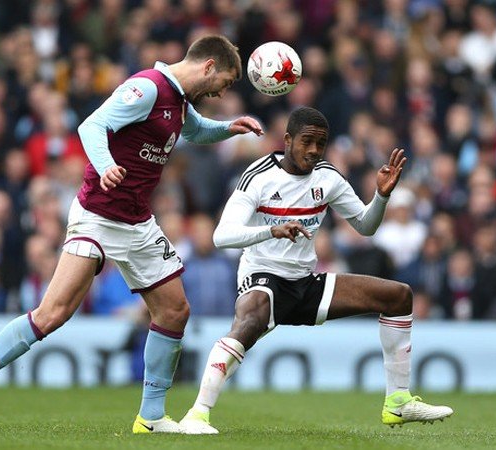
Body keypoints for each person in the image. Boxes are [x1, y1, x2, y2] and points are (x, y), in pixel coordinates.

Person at [0, 35, 263, 434]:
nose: (222, 90)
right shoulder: (147, 88)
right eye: (225, 81)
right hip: (98, 215)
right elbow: (93, 124)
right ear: (208, 66)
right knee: (52, 314)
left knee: (174, 311)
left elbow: (195, 132)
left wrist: (231, 128)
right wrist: (106, 164)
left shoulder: (179, 102)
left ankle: (152, 417)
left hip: (138, 221)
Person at [178, 107, 453, 434]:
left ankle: (398, 402)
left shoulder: (328, 177)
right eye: (306, 141)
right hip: (263, 276)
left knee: (398, 296)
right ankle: (196, 415)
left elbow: (365, 227)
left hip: (306, 282)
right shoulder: (259, 175)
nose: (313, 150)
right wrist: (271, 230)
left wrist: (380, 196)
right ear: (288, 140)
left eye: (320, 144)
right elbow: (221, 236)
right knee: (250, 319)